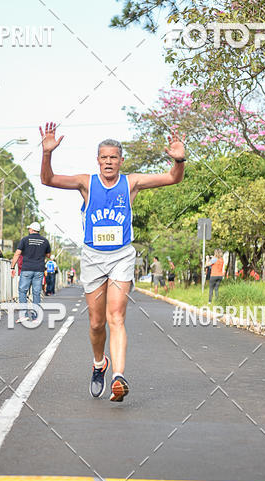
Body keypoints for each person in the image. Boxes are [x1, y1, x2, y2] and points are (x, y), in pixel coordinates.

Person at [40, 121, 186, 403]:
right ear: (98, 160)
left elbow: (172, 178)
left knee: (116, 317)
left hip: (121, 256)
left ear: (121, 160)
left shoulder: (131, 183)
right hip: (93, 258)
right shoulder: (86, 182)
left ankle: (118, 376)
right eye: (104, 158)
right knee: (96, 324)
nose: (109, 162)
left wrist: (178, 160)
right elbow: (49, 180)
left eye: (113, 158)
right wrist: (47, 153)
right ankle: (99, 364)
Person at [11, 222, 51, 320]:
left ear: (32, 230)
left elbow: (17, 254)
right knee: (36, 292)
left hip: (26, 269)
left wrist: (12, 267)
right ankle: (36, 316)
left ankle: (23, 315)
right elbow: (48, 255)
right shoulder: (45, 241)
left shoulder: (25, 240)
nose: (28, 230)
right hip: (39, 270)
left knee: (22, 291)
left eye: (29, 229)